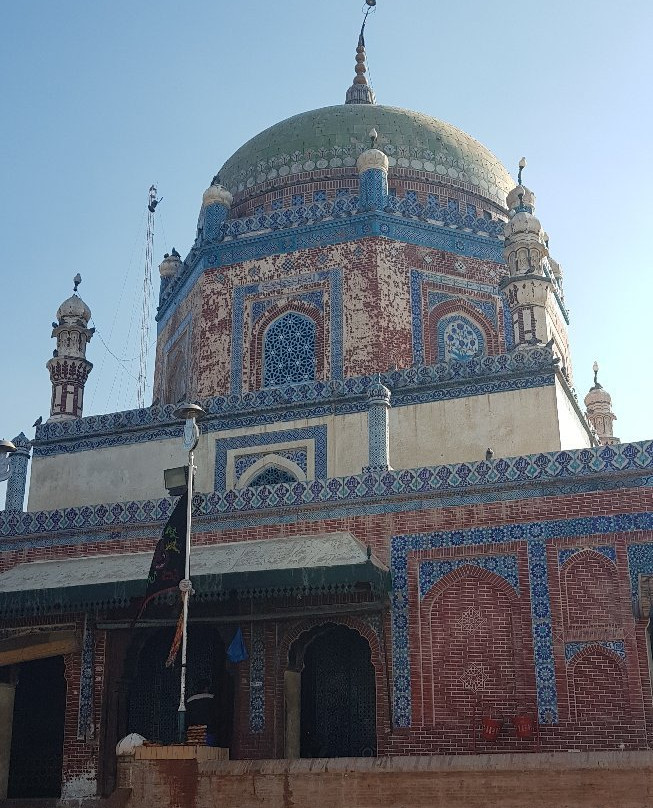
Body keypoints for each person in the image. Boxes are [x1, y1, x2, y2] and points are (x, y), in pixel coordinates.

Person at [186, 679, 218, 746]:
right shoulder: (213, 699)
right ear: (206, 688)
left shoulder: (189, 701)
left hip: (193, 732)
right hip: (209, 731)